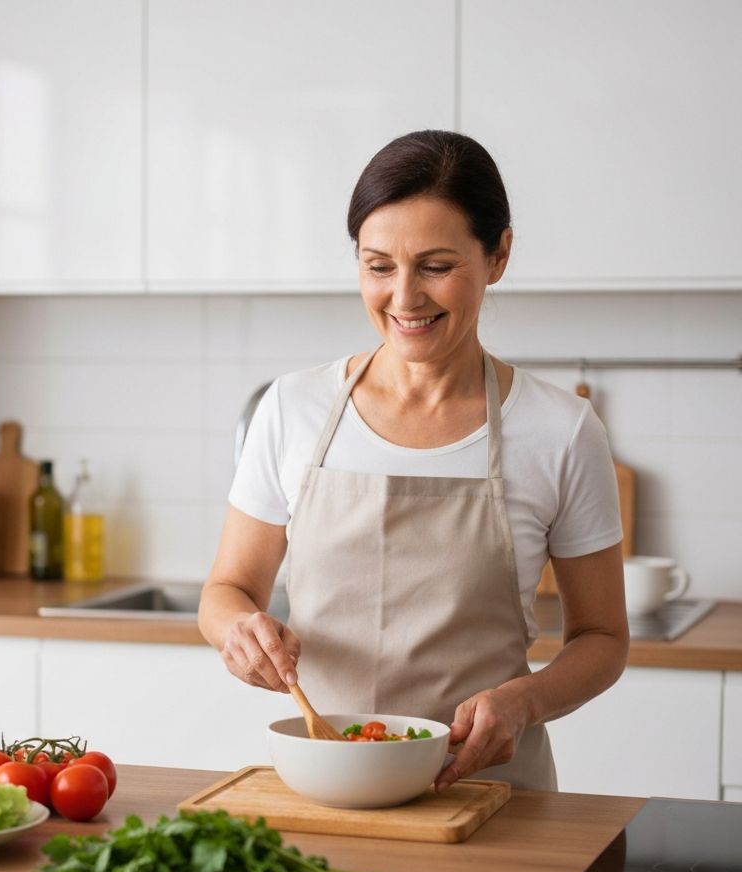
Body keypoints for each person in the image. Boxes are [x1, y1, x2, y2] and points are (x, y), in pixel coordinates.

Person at [198, 129, 629, 792]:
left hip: (491, 796)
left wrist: (525, 701)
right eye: (378, 266)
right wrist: (239, 631)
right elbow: (226, 592)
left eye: (435, 266)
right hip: (326, 784)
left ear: (499, 255)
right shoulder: (292, 408)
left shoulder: (561, 430)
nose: (403, 298)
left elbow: (602, 639)